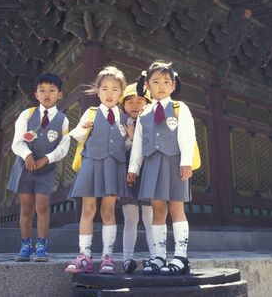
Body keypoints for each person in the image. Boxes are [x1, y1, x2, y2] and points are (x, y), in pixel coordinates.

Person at [127, 61, 196, 275]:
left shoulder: (179, 108)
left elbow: (187, 135)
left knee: (176, 208)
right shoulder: (144, 113)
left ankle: (181, 256)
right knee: (158, 209)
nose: (161, 86)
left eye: (167, 82)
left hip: (174, 162)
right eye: (156, 81)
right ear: (147, 85)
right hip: (152, 165)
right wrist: (133, 168)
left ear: (173, 85)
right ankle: (158, 256)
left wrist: (187, 161)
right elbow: (138, 144)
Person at [65, 66, 130, 274]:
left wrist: (129, 135)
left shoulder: (125, 118)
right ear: (97, 90)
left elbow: (127, 146)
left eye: (114, 89)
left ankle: (107, 256)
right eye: (104, 89)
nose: (109, 94)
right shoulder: (90, 113)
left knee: (108, 210)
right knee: (88, 209)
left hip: (114, 164)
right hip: (91, 163)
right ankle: (84, 255)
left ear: (121, 92)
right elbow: (76, 135)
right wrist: (84, 128)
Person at [7, 73, 70, 262]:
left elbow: (63, 148)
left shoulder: (63, 120)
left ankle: (42, 245)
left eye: (52, 90)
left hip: (46, 169)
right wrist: (27, 155)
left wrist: (46, 159)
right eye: (42, 90)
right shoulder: (26, 115)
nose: (47, 94)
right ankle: (25, 245)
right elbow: (17, 142)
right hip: (24, 167)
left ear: (60, 94)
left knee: (42, 206)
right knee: (26, 207)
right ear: (36, 94)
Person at [119, 83, 154, 273]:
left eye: (140, 101)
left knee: (150, 218)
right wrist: (130, 139)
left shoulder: (151, 122)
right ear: (123, 105)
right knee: (130, 218)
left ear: (147, 103)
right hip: (128, 176)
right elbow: (117, 149)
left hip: (147, 174)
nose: (134, 105)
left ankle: (154, 257)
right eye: (130, 101)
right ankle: (127, 258)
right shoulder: (120, 123)